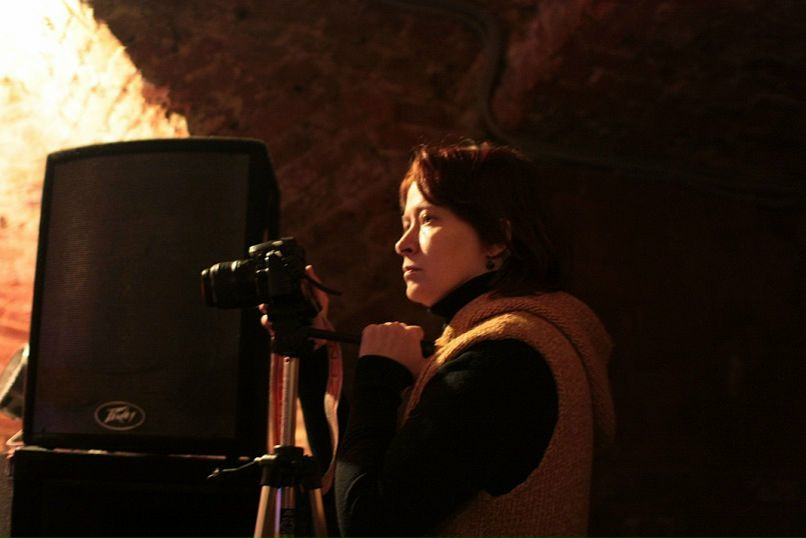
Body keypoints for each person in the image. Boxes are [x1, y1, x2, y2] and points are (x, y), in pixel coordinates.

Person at [265, 141, 615, 538]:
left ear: (497, 239)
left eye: (428, 219)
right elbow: (348, 487)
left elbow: (365, 523)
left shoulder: (504, 358)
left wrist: (378, 379)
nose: (403, 243)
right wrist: (316, 358)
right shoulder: (507, 344)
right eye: (405, 222)